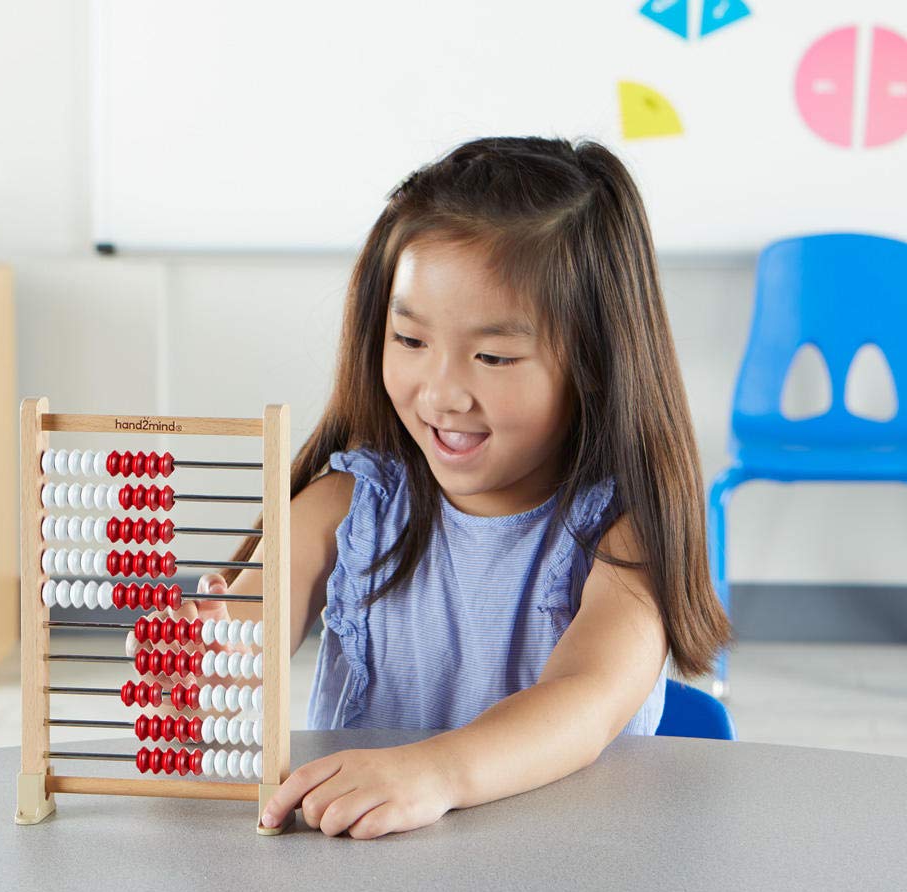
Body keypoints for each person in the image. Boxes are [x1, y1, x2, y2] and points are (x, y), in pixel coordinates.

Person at [142, 136, 732, 838]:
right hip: (369, 883)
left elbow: (590, 697)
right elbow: (249, 622)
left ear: (596, 363)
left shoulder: (623, 530)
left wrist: (438, 772)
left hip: (571, 878)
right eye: (411, 341)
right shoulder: (348, 506)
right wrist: (203, 668)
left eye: (493, 355)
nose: (442, 394)